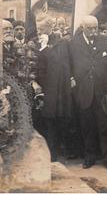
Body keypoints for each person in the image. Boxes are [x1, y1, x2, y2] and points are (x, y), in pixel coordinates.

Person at [68, 16, 107, 171]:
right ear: (83, 27)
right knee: (87, 126)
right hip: (83, 92)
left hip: (102, 92)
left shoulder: (105, 41)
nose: (93, 31)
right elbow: (69, 65)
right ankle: (89, 157)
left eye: (95, 28)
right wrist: (72, 79)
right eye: (89, 28)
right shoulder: (73, 44)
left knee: (105, 127)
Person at [35, 16, 72, 162]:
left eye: (41, 28)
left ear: (49, 27)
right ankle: (50, 154)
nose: (39, 31)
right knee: (48, 121)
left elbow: (63, 62)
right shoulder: (37, 43)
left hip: (60, 88)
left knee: (59, 120)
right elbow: (39, 66)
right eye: (37, 28)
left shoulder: (61, 42)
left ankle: (57, 152)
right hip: (45, 87)